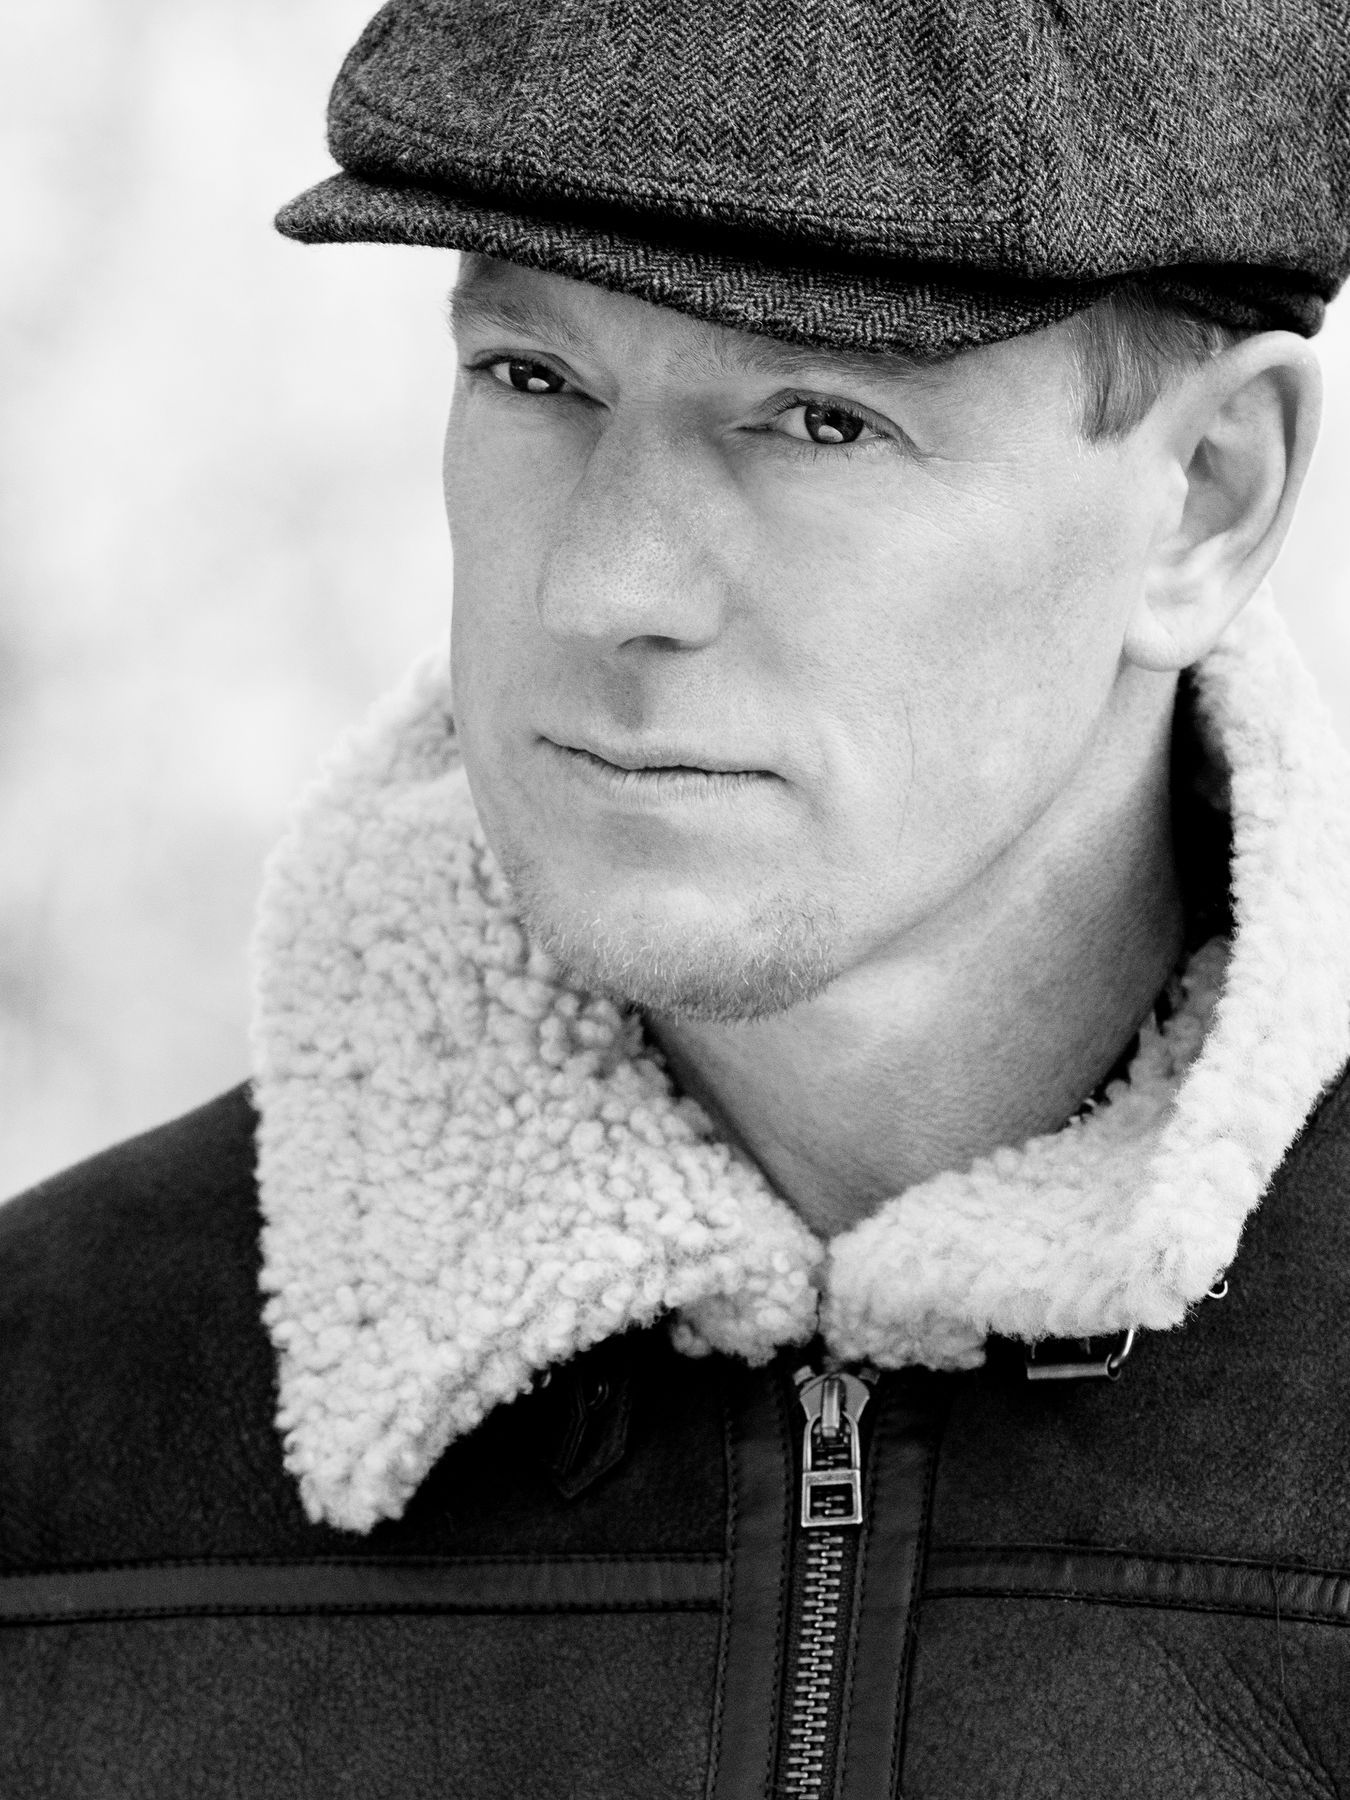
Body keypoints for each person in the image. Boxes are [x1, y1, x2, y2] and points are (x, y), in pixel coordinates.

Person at [4, 0, 1350, 1793]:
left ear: (1204, 498)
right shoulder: (45, 1425)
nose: (605, 586)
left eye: (818, 418)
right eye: (531, 378)